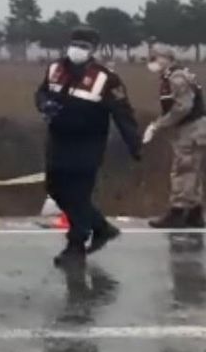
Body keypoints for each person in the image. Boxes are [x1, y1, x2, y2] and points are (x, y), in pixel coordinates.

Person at [35, 26, 142, 266]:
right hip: (58, 141)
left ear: (93, 50)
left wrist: (134, 143)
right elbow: (40, 93)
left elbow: (123, 113)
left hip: (88, 144)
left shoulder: (106, 78)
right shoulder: (55, 69)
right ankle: (101, 227)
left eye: (84, 46)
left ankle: (76, 245)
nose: (77, 50)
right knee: (55, 189)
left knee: (79, 193)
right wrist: (44, 105)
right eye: (75, 44)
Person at [144, 44, 206, 229]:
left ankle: (178, 211)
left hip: (191, 129)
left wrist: (158, 125)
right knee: (191, 170)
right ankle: (194, 212)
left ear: (166, 58)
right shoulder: (172, 76)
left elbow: (183, 107)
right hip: (191, 128)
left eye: (155, 58)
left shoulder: (176, 77)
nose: (152, 62)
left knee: (183, 169)